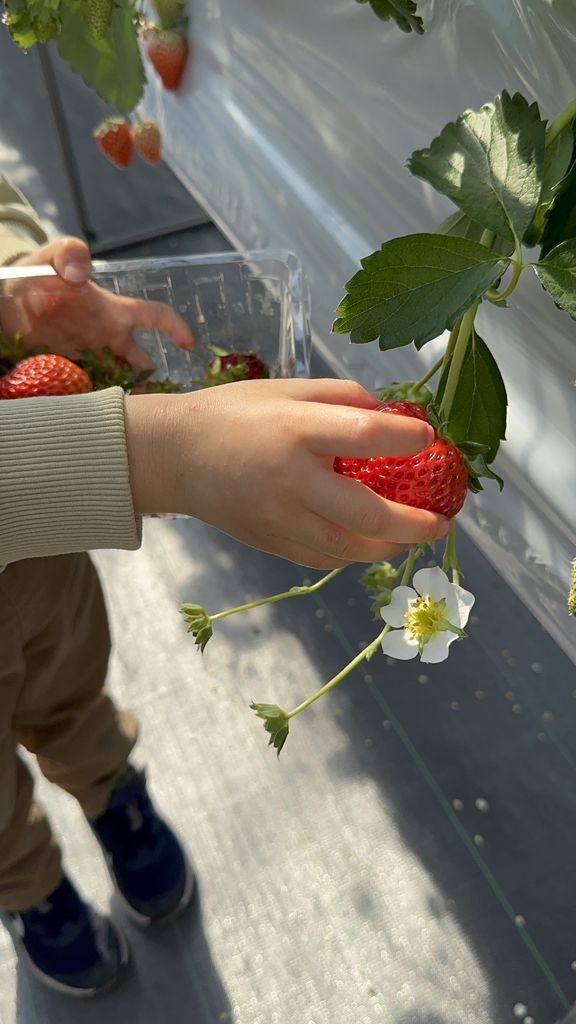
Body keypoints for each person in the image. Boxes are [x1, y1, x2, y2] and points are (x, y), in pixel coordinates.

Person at [0, 178, 451, 996]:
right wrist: (160, 455)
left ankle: (111, 793)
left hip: (36, 552)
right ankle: (28, 887)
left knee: (72, 684)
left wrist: (12, 282)